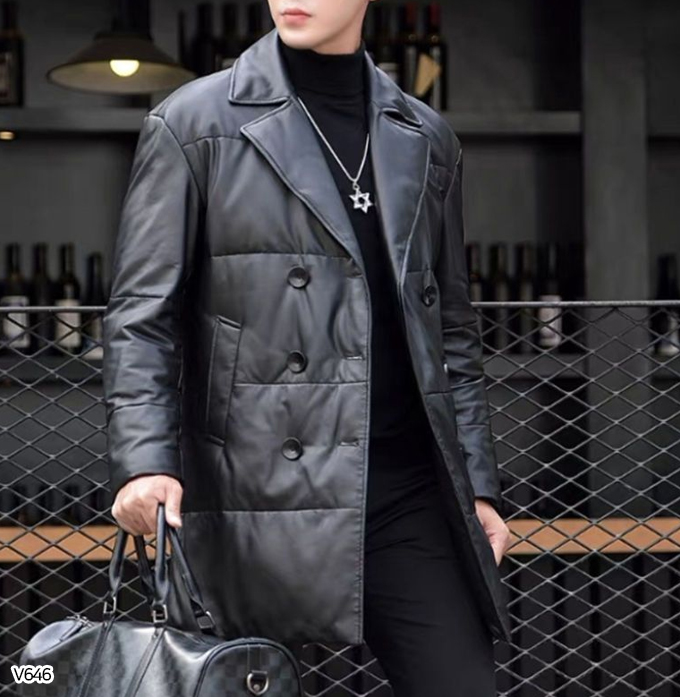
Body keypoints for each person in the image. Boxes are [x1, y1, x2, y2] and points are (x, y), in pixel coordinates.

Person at [103, 1, 512, 695]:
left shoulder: (424, 135)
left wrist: (475, 485)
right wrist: (143, 462)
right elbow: (143, 316)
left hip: (403, 492)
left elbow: (449, 330)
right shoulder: (194, 123)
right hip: (249, 492)